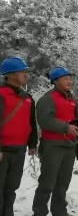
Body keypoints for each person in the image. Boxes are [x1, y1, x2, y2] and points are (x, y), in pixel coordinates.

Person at [32, 66, 78, 216]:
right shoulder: (47, 99)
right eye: (66, 78)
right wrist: (65, 127)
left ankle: (59, 211)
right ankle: (39, 212)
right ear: (55, 81)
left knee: (63, 183)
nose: (70, 81)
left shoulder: (73, 100)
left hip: (69, 146)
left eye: (70, 78)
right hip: (52, 146)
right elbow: (45, 120)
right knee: (47, 183)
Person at [0, 57, 37, 216]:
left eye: (26, 71)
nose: (25, 74)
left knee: (11, 188)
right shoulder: (1, 94)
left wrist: (32, 144)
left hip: (19, 149)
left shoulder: (27, 98)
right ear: (9, 74)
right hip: (3, 150)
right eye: (22, 71)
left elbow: (31, 122)